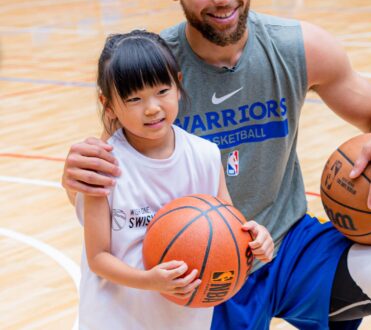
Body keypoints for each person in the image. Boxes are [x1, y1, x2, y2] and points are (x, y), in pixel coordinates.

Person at [62, 0, 371, 329]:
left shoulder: (299, 47)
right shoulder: (157, 74)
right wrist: (76, 179)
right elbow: (116, 182)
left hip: (288, 245)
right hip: (199, 262)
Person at [79, 30, 273, 329]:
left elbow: (231, 228)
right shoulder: (104, 166)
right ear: (108, 105)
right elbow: (98, 258)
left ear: (178, 85)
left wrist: (257, 240)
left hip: (184, 318)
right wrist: (149, 280)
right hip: (115, 318)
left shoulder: (206, 156)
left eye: (162, 91)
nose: (152, 107)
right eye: (134, 98)